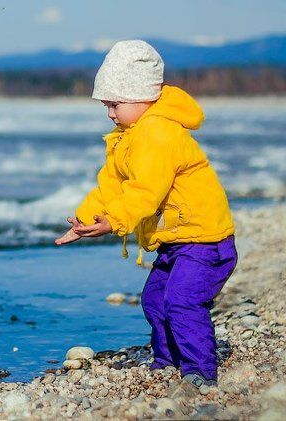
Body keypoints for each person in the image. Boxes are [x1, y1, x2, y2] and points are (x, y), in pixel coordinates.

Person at [54, 40, 237, 389]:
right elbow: (112, 185)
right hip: (176, 240)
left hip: (204, 240)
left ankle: (200, 371)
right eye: (106, 104)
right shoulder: (129, 136)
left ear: (143, 97)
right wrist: (88, 219)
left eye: (115, 104)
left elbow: (144, 192)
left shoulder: (158, 134)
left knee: (182, 301)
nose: (109, 112)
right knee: (155, 300)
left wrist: (114, 223)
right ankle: (168, 360)